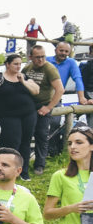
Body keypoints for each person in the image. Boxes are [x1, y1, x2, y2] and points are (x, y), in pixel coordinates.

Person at [0, 53, 39, 180]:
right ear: (7, 64)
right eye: (15, 64)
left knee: (26, 142)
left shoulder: (24, 77)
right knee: (12, 141)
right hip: (8, 115)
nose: (18, 66)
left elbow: (36, 91)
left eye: (20, 64)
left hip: (28, 113)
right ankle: (4, 167)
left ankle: (23, 171)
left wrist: (23, 81)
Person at [23, 45, 65, 176]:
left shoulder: (50, 69)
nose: (41, 60)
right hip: (29, 106)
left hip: (44, 105)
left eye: (43, 56)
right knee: (26, 134)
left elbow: (60, 89)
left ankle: (39, 164)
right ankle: (22, 163)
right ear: (31, 57)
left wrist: (49, 107)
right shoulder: (27, 68)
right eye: (37, 57)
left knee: (41, 134)